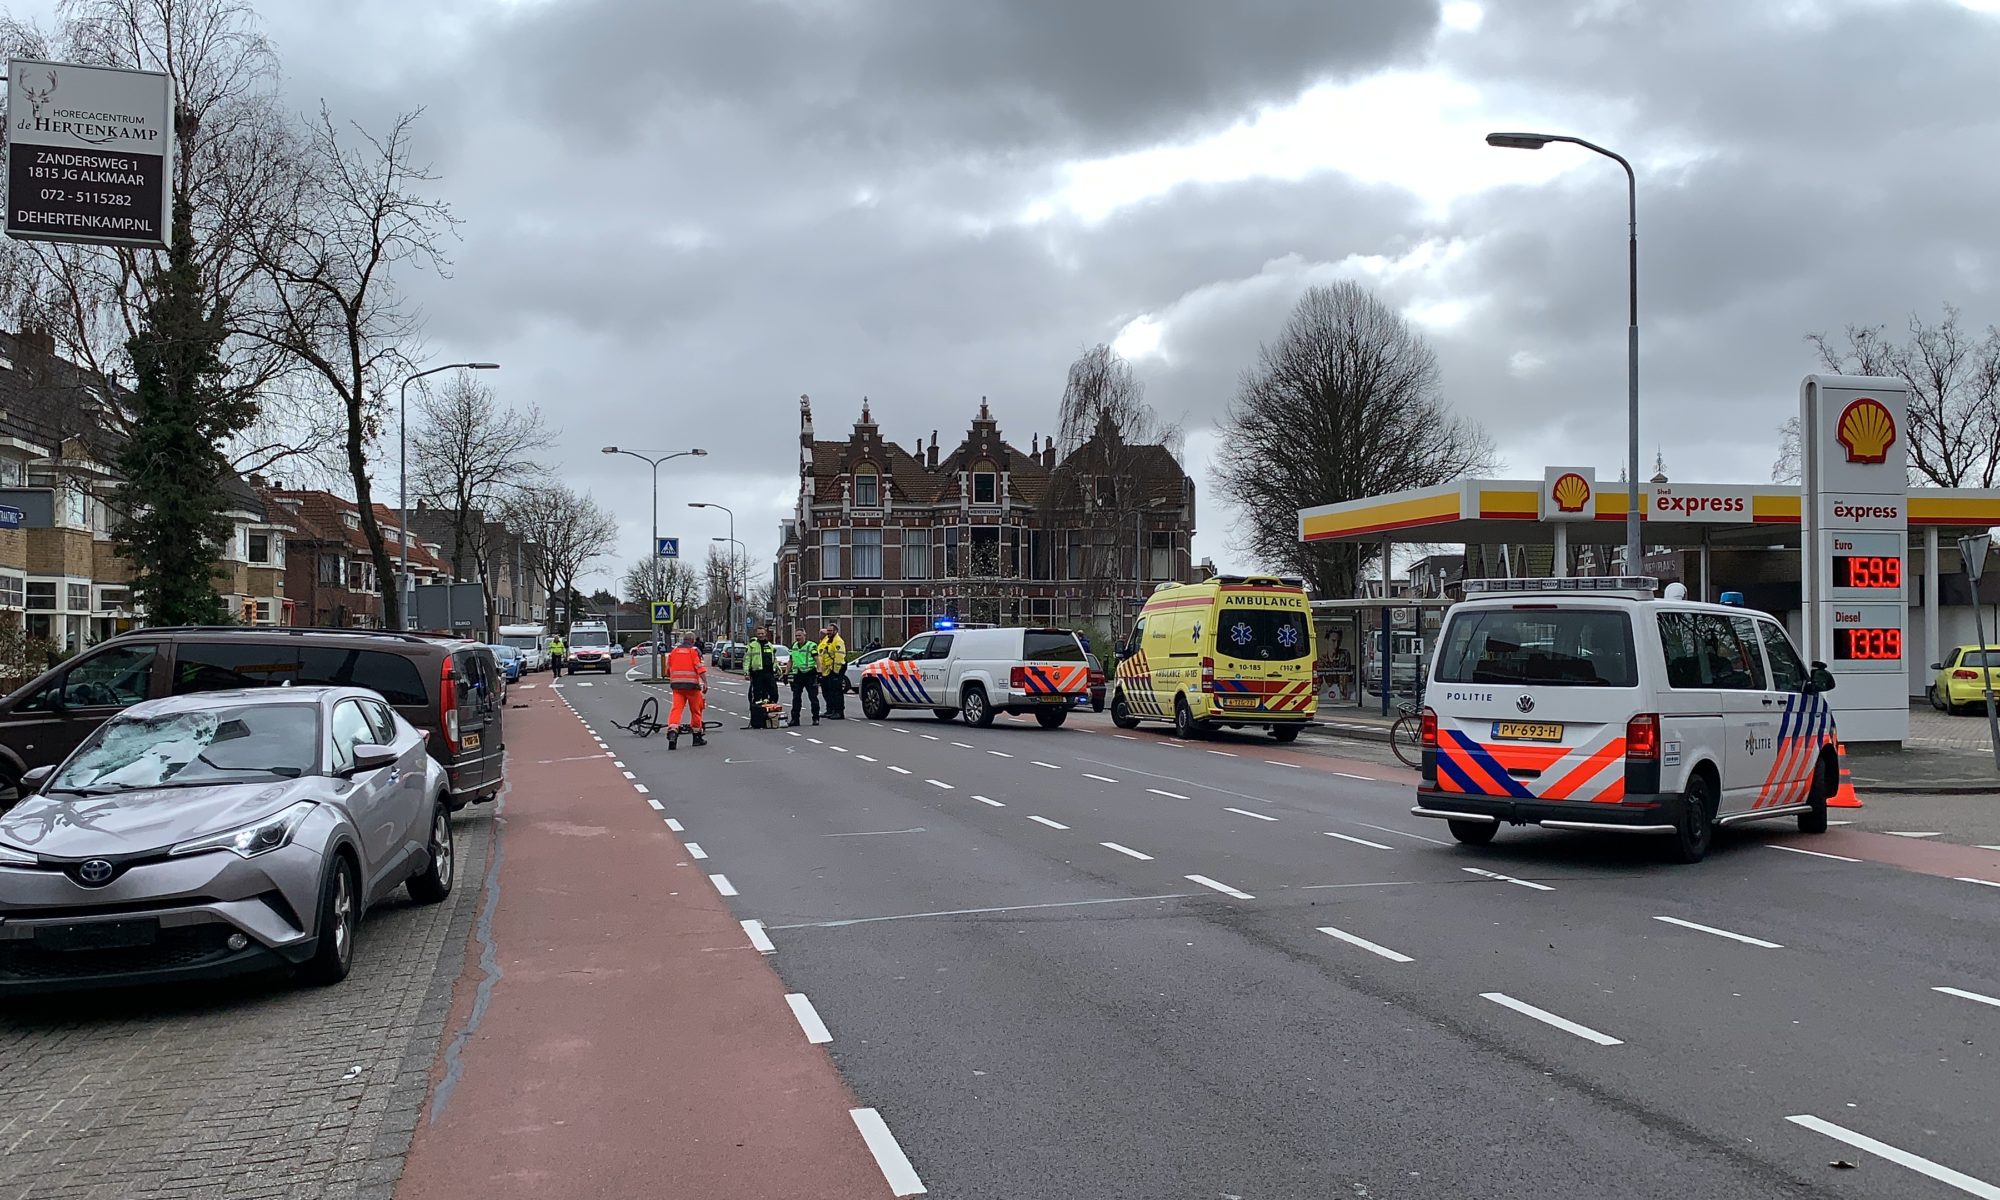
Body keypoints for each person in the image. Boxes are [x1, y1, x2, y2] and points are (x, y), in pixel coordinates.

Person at [665, 631, 707, 746]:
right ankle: (697, 737)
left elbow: (668, 671)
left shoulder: (673, 652)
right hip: (692, 687)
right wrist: (705, 682)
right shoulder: (693, 652)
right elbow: (700, 668)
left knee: (676, 709)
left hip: (677, 686)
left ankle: (673, 731)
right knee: (695, 711)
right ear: (693, 641)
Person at [742, 626, 781, 729]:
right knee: (757, 695)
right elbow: (747, 659)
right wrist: (746, 672)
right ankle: (758, 716)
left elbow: (774, 659)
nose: (760, 635)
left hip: (769, 673)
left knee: (773, 693)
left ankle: (771, 713)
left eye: (762, 633)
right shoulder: (752, 646)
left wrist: (777, 668)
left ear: (765, 633)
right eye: (759, 634)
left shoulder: (770, 646)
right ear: (756, 634)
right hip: (757, 673)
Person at [789, 630, 821, 726]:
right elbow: (790, 660)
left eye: (799, 635)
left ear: (804, 635)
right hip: (798, 674)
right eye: (796, 635)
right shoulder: (794, 646)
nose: (798, 637)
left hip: (809, 674)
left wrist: (819, 672)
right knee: (796, 698)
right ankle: (795, 719)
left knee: (813, 697)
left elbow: (817, 660)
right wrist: (786, 673)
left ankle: (815, 718)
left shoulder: (811, 646)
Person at [816, 623, 848, 719]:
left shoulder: (838, 641)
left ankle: (839, 712)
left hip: (835, 670)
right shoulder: (829, 641)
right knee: (828, 691)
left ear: (835, 631)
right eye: (828, 631)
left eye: (830, 631)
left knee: (836, 692)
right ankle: (830, 710)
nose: (828, 633)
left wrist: (836, 672)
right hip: (827, 670)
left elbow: (839, 658)